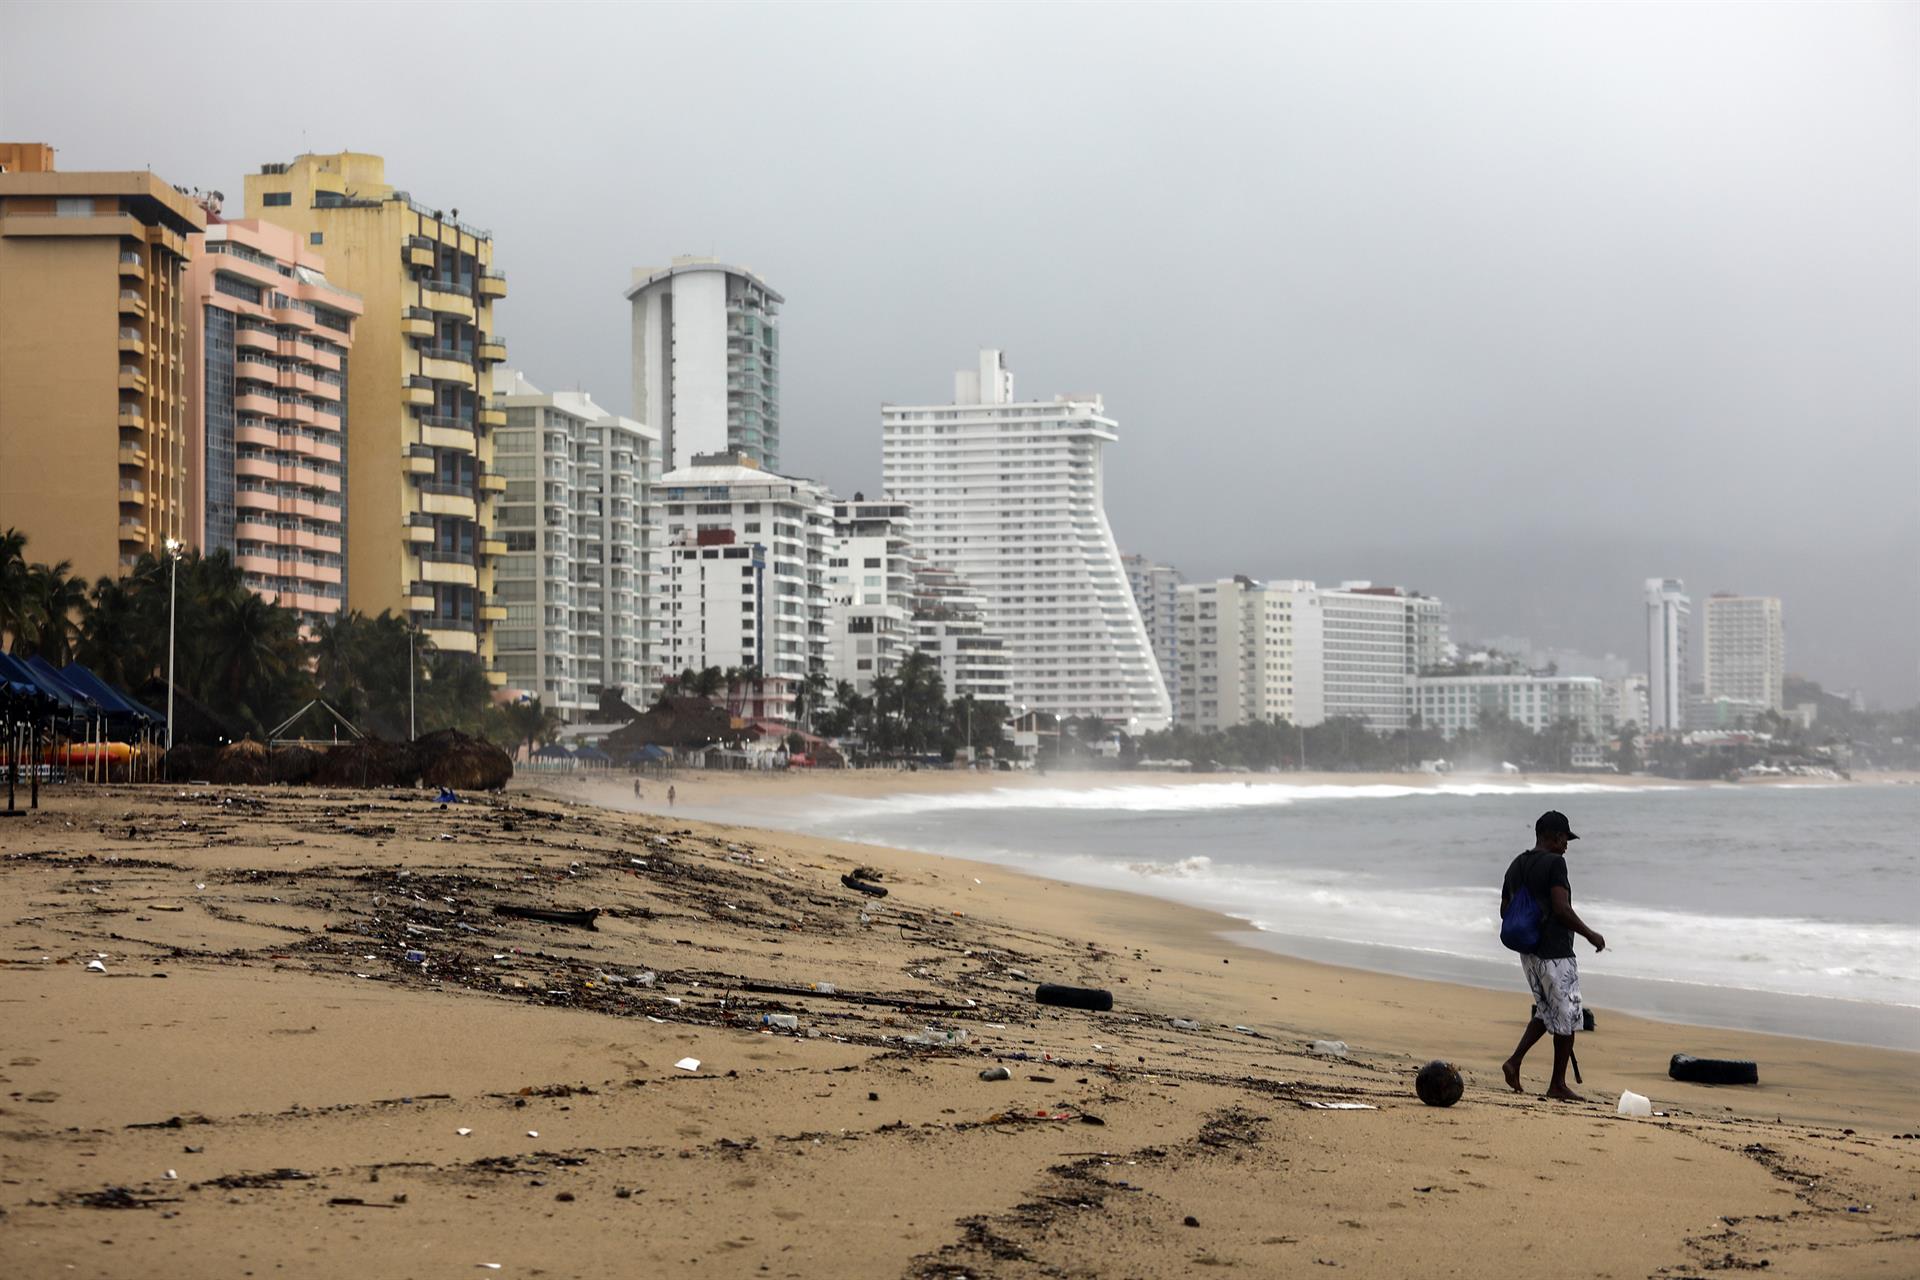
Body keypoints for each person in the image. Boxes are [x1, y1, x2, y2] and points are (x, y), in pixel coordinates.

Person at [1500, 810, 1606, 1101]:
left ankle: (1514, 1061)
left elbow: (1504, 910)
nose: (1567, 845)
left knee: (1546, 1010)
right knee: (1569, 1016)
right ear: (1555, 837)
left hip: (1529, 953)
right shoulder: (1555, 863)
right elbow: (1561, 908)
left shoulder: (1516, 864)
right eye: (1565, 839)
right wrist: (1590, 934)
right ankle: (1557, 1084)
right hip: (1555, 952)